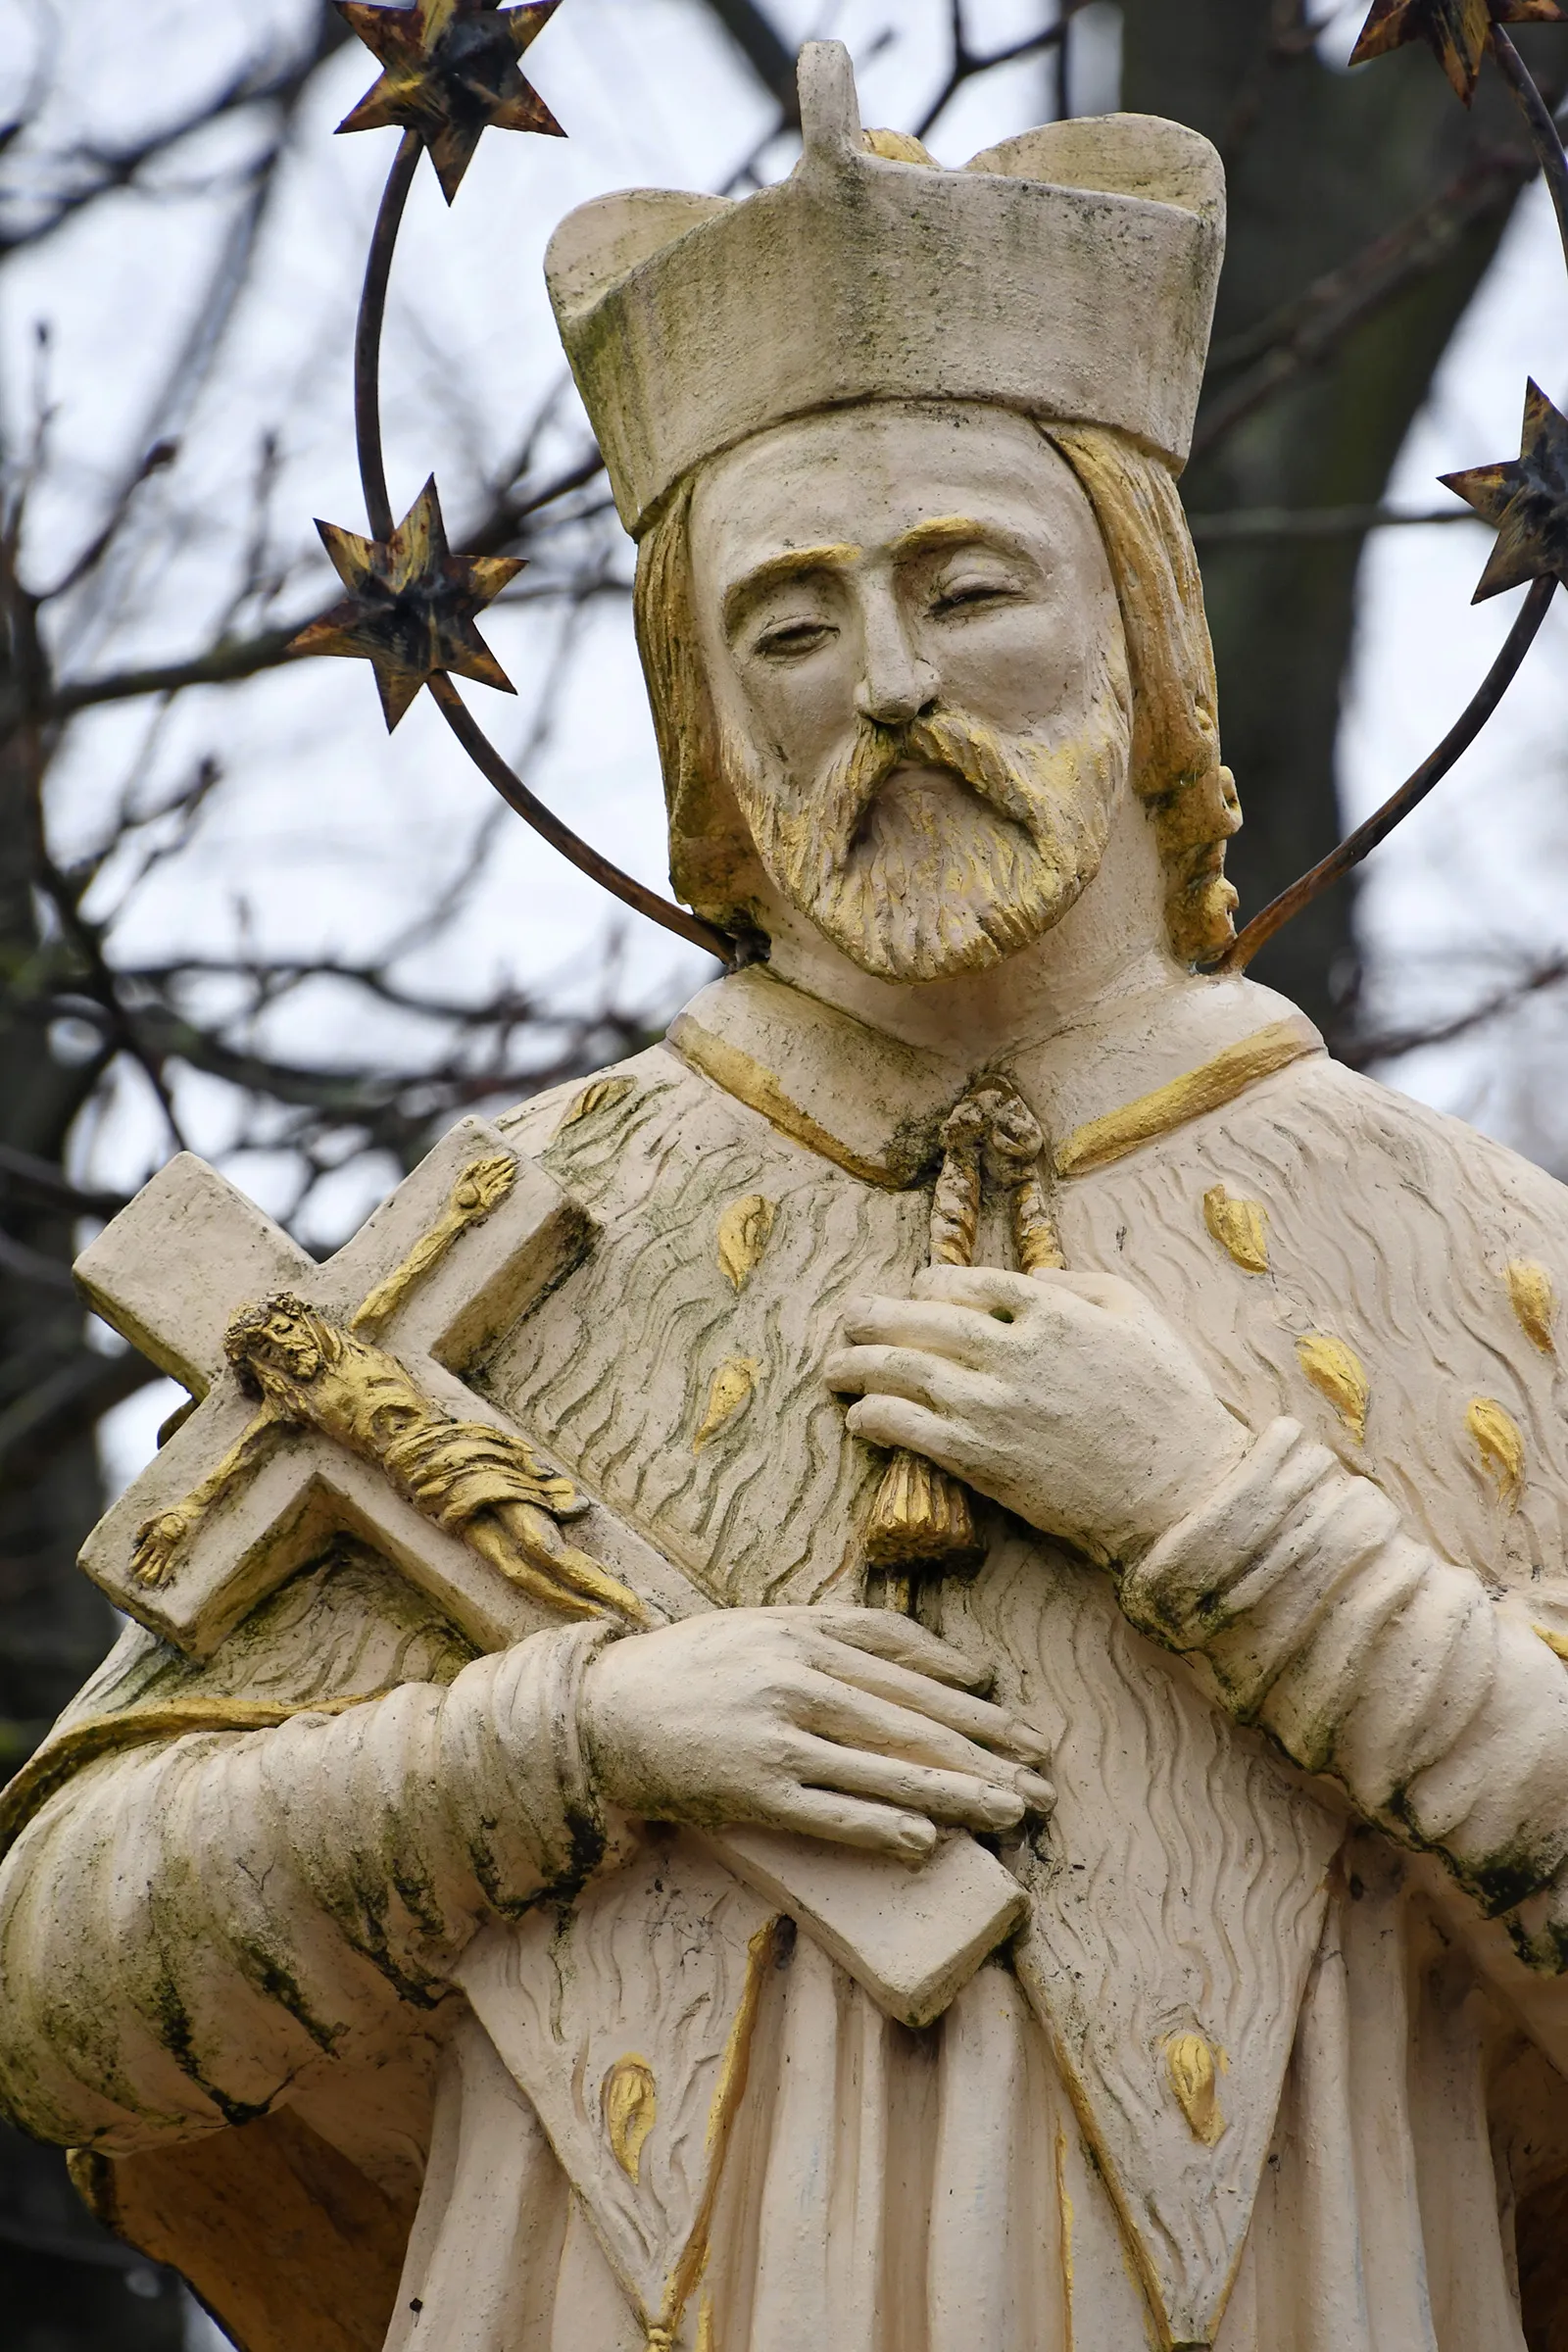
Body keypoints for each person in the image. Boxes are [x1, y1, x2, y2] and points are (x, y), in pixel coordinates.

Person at [4, 44, 1567, 2352]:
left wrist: (1230, 1530)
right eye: (792, 628)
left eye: (966, 586)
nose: (894, 687)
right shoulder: (515, 1236)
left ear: (1145, 641)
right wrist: (575, 1742)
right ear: (700, 733)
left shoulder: (1466, 1242)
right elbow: (60, 1972)